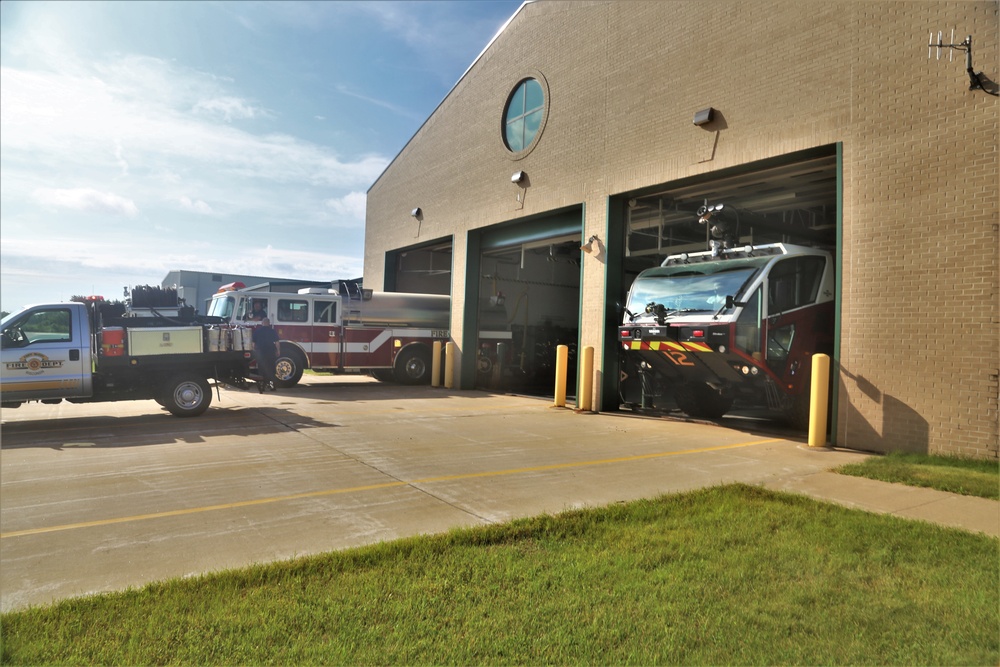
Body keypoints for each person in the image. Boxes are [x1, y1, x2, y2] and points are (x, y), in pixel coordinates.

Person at [251, 317, 281, 391]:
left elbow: (253, 344)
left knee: (261, 370)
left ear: (262, 323)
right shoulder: (272, 331)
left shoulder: (257, 331)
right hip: (270, 353)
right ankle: (272, 386)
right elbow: (277, 342)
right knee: (271, 370)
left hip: (260, 353)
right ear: (269, 323)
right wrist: (278, 351)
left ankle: (262, 387)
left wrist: (254, 351)